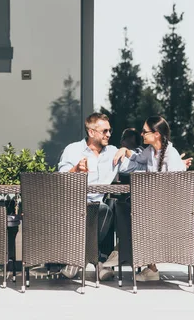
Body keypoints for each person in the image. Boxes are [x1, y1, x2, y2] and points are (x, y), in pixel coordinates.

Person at [57, 113, 143, 280]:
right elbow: (60, 178)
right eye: (104, 131)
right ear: (91, 132)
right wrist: (76, 170)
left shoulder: (113, 153)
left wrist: (127, 151)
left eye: (110, 131)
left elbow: (138, 167)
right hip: (71, 205)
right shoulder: (73, 150)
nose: (109, 135)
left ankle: (77, 259)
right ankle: (97, 261)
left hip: (98, 209)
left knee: (104, 210)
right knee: (103, 210)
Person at [110, 115, 186, 281]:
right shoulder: (150, 151)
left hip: (168, 211)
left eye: (145, 132)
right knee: (122, 206)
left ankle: (122, 250)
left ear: (156, 134)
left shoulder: (171, 155)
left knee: (126, 209)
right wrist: (124, 150)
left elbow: (177, 189)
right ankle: (141, 263)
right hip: (152, 206)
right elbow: (136, 158)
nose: (142, 135)